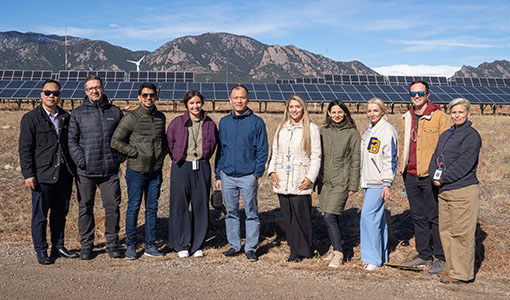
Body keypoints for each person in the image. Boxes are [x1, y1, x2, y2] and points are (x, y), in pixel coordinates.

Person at [19, 79, 79, 264]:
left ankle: (58, 247)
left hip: (63, 173)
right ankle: (41, 251)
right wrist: (28, 174)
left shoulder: (66, 117)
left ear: (60, 96)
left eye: (55, 93)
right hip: (42, 174)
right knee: (40, 216)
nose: (51, 96)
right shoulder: (31, 118)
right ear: (41, 95)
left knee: (60, 213)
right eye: (48, 93)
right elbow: (25, 148)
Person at [68, 75, 124, 260]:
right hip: (85, 172)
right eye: (90, 88)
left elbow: (124, 137)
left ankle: (112, 243)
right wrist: (81, 161)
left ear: (103, 88)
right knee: (85, 207)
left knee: (112, 207)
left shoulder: (115, 112)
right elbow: (72, 141)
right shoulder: (77, 113)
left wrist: (118, 159)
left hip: (109, 171)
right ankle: (86, 245)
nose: (94, 91)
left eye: (97, 87)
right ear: (86, 92)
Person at [111, 82, 167, 260]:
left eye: (152, 95)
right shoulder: (131, 117)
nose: (149, 98)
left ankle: (150, 245)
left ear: (156, 97)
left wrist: (162, 154)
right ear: (139, 97)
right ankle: (131, 246)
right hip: (136, 171)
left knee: (152, 209)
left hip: (155, 171)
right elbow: (116, 141)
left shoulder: (160, 117)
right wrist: (134, 153)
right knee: (133, 208)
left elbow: (162, 140)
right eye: (145, 95)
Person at [428, 98, 481, 284]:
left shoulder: (472, 135)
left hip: (463, 190)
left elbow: (465, 163)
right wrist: (433, 175)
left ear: (468, 113)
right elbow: (436, 156)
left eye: (460, 112)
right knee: (447, 231)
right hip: (445, 191)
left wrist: (442, 178)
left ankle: (462, 274)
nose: (457, 115)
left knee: (461, 234)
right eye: (454, 112)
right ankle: (450, 269)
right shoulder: (446, 134)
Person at [399, 80, 450, 274]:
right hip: (410, 174)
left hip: (430, 175)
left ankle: (441, 257)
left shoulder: (439, 117)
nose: (416, 97)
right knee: (418, 216)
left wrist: (441, 173)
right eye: (413, 93)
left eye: (420, 93)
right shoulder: (407, 117)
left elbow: (446, 148)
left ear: (428, 94)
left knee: (434, 217)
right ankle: (423, 254)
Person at [215, 85, 268, 262]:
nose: (239, 101)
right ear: (230, 100)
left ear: (248, 99)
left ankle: (251, 248)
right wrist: (218, 175)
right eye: (236, 97)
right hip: (227, 175)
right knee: (231, 212)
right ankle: (234, 245)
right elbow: (221, 150)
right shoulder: (223, 122)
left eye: (242, 97)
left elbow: (262, 150)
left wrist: (256, 174)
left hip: (248, 176)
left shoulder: (257, 122)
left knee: (251, 213)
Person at [267, 95, 321, 262]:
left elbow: (316, 155)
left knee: (302, 215)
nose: (294, 110)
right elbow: (275, 152)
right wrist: (272, 172)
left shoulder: (311, 128)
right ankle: (294, 249)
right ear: (287, 109)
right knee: (288, 215)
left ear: (303, 108)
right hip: (283, 177)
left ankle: (304, 249)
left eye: (297, 106)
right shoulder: (282, 128)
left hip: (301, 177)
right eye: (291, 107)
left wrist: (310, 177)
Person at [167, 90, 218, 258]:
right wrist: (177, 157)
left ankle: (197, 245)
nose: (195, 106)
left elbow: (215, 143)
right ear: (186, 105)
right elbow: (170, 142)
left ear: (202, 104)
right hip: (182, 166)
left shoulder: (210, 123)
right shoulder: (177, 123)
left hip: (202, 166)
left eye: (198, 102)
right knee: (180, 205)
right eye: (191, 103)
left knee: (201, 205)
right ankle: (181, 244)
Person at [317, 100, 360, 268]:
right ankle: (334, 247)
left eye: (340, 112)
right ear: (328, 113)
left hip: (341, 181)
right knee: (330, 216)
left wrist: (352, 185)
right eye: (333, 112)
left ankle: (339, 253)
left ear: (345, 113)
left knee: (329, 215)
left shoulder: (352, 133)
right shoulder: (323, 131)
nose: (336, 115)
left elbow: (356, 160)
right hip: (324, 182)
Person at [360, 98, 398, 271]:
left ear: (383, 111)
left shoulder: (387, 131)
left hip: (378, 182)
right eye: (369, 111)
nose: (371, 114)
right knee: (377, 220)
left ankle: (372, 259)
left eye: (375, 110)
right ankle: (381, 255)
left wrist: (387, 183)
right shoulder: (370, 129)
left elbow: (390, 159)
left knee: (368, 219)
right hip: (368, 181)